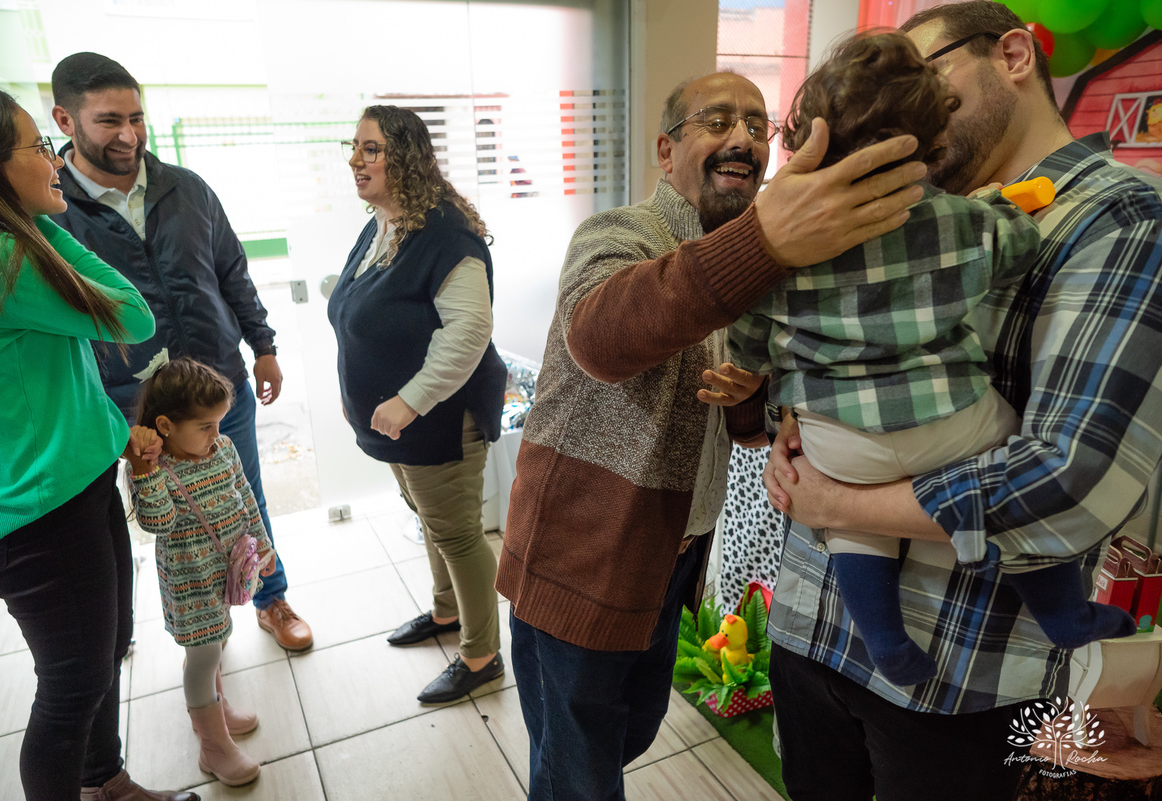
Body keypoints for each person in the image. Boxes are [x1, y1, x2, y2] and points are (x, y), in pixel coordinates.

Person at [760, 4, 1162, 800]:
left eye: (921, 71)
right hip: (811, 624)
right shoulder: (876, 207)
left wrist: (838, 499)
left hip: (962, 679)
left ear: (1012, 55)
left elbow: (1070, 475)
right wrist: (792, 423)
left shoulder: (1119, 220)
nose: (897, 107)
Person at [494, 70, 931, 800]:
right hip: (579, 557)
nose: (743, 139)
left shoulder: (747, 268)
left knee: (630, 730)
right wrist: (764, 240)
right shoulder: (621, 235)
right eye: (718, 120)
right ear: (666, 152)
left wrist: (753, 395)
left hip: (671, 556)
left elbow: (744, 428)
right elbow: (603, 340)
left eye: (760, 127)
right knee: (578, 772)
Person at [0, 84, 195, 801]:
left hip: (64, 486)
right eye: (36, 148)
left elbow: (47, 374)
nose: (54, 162)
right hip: (37, 512)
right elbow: (129, 317)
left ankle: (107, 781)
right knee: (72, 686)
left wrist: (110, 435)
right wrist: (44, 223)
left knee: (105, 646)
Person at [47, 52, 312, 652]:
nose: (128, 135)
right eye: (109, 120)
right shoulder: (50, 210)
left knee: (245, 499)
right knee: (155, 520)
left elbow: (232, 272)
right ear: (66, 121)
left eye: (136, 118)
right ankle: (172, 635)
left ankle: (272, 599)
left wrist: (263, 345)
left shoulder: (185, 188)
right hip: (125, 402)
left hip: (219, 387)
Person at [328, 105, 508, 704]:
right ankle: (446, 613)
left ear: (405, 157)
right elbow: (359, 317)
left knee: (457, 534)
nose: (356, 159)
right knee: (431, 521)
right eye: (354, 146)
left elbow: (468, 333)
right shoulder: (383, 223)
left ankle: (482, 656)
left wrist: (407, 401)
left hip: (438, 421)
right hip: (396, 424)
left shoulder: (445, 236)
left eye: (371, 149)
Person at [124, 357, 276, 787]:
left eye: (218, 424)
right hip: (190, 580)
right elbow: (158, 524)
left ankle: (217, 707)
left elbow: (245, 495)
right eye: (205, 426)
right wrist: (146, 471)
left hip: (224, 570)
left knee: (218, 641)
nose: (216, 436)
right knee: (204, 652)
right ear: (166, 425)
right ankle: (213, 748)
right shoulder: (156, 470)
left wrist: (262, 544)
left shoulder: (222, 449)